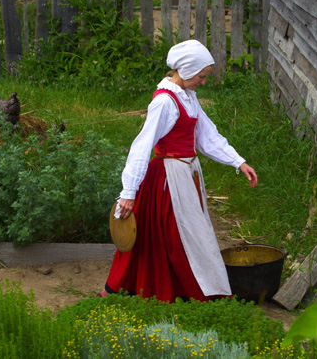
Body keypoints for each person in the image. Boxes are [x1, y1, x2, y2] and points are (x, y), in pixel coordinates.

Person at [99, 39, 258, 302]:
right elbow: (142, 145)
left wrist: (237, 161)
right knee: (175, 236)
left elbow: (206, 135)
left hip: (186, 176)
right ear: (184, 70)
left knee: (186, 233)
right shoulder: (165, 102)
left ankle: (189, 290)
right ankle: (185, 292)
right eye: (201, 76)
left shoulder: (188, 97)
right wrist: (129, 191)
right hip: (168, 181)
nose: (203, 82)